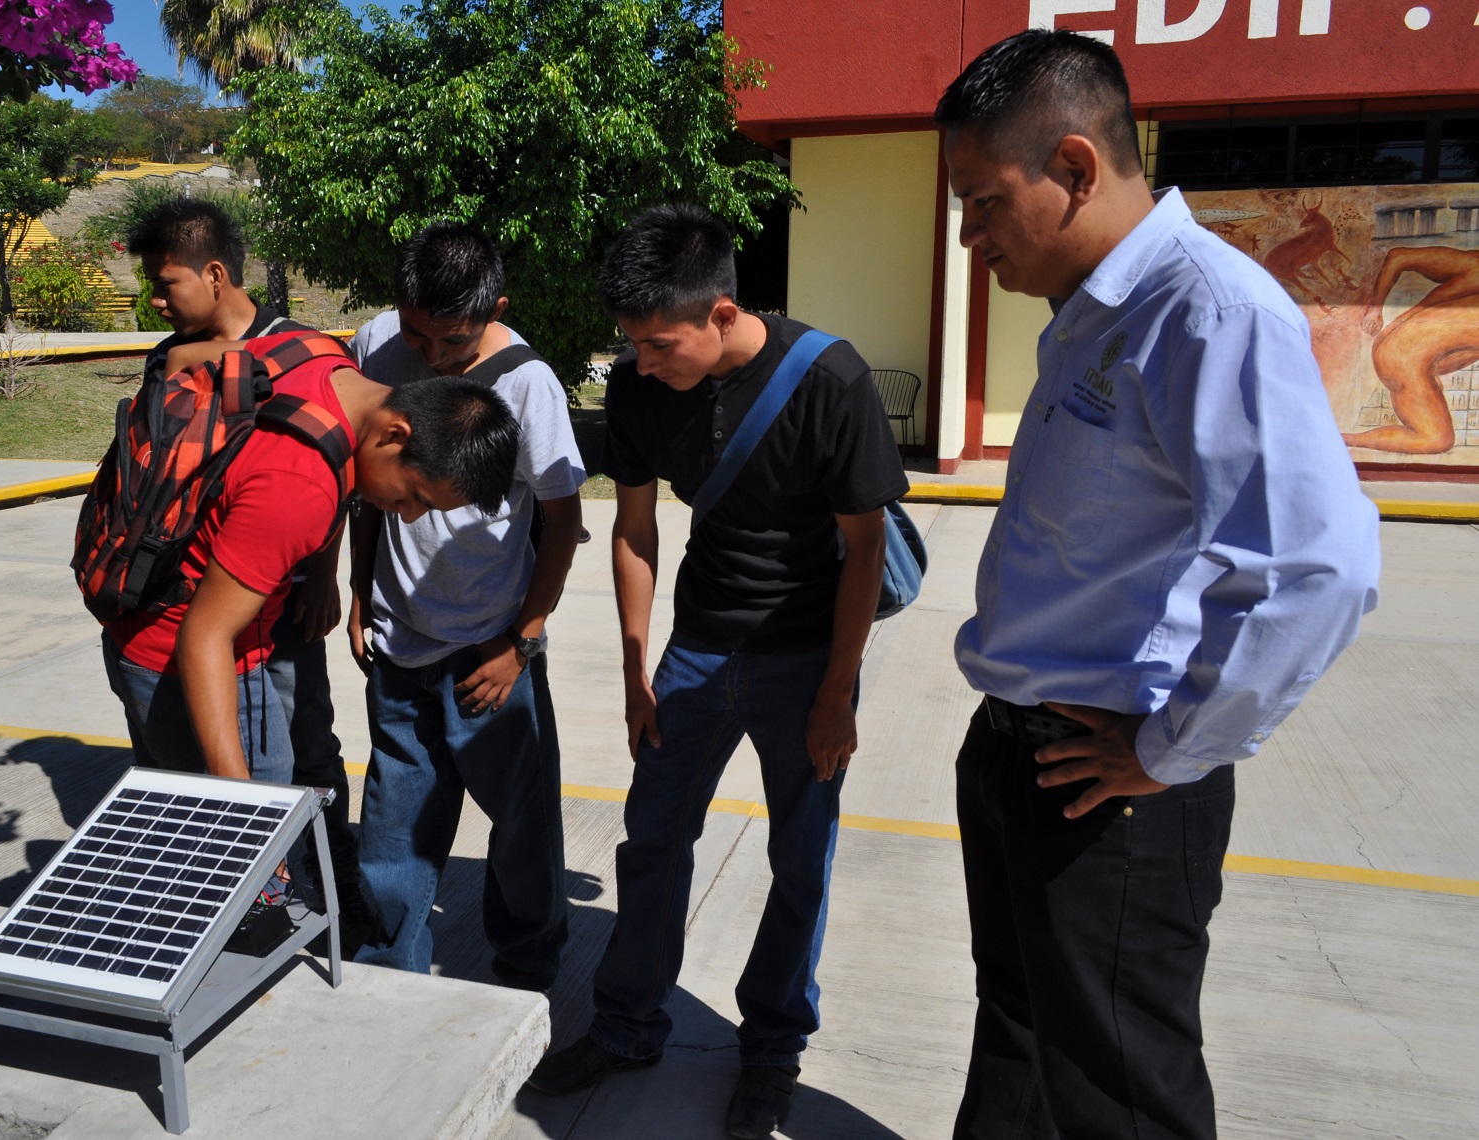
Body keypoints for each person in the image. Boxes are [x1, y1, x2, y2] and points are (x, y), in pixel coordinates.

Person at [934, 30, 1380, 1139]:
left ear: (1076, 169)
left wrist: (1171, 749)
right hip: (1022, 750)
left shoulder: (1207, 312)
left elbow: (1316, 566)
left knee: (1120, 1089)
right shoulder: (1094, 314)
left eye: (984, 201)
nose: (968, 233)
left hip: (1111, 781)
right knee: (1022, 1032)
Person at [527, 204, 908, 1140]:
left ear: (723, 312)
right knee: (651, 841)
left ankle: (772, 1054)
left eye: (661, 343)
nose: (645, 362)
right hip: (697, 649)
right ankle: (626, 1026)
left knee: (798, 863)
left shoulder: (832, 379)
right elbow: (637, 528)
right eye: (633, 344)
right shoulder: (639, 387)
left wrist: (834, 697)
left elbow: (865, 553)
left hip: (808, 657)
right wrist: (634, 668)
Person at [100, 335, 520, 794]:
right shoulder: (300, 489)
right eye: (414, 495)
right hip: (185, 670)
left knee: (179, 831)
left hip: (136, 627)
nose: (408, 514)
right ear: (395, 433)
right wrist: (239, 805)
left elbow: (181, 359)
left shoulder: (319, 353)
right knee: (240, 845)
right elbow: (204, 636)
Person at [344, 221, 585, 991]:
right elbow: (368, 493)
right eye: (416, 333)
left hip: (491, 650)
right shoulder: (378, 344)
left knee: (521, 834)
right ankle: (390, 982)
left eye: (450, 341)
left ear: (494, 309)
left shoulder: (526, 383)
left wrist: (523, 638)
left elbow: (565, 521)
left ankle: (526, 977)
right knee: (391, 831)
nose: (430, 356)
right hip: (400, 642)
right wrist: (357, 590)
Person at [126, 198, 369, 942]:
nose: (158, 301)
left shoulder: (307, 350)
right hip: (195, 606)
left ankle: (336, 899)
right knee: (222, 768)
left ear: (217, 272)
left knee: (312, 755)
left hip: (283, 603)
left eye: (168, 285)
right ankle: (255, 910)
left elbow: (336, 467)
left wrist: (326, 573)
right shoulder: (170, 357)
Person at [1349, 244, 1479, 453]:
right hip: (1404, 360)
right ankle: (1343, 440)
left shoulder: (1474, 265)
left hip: (1401, 348)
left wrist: (1376, 311)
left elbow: (1399, 257)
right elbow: (1399, 256)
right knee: (1436, 440)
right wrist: (1374, 310)